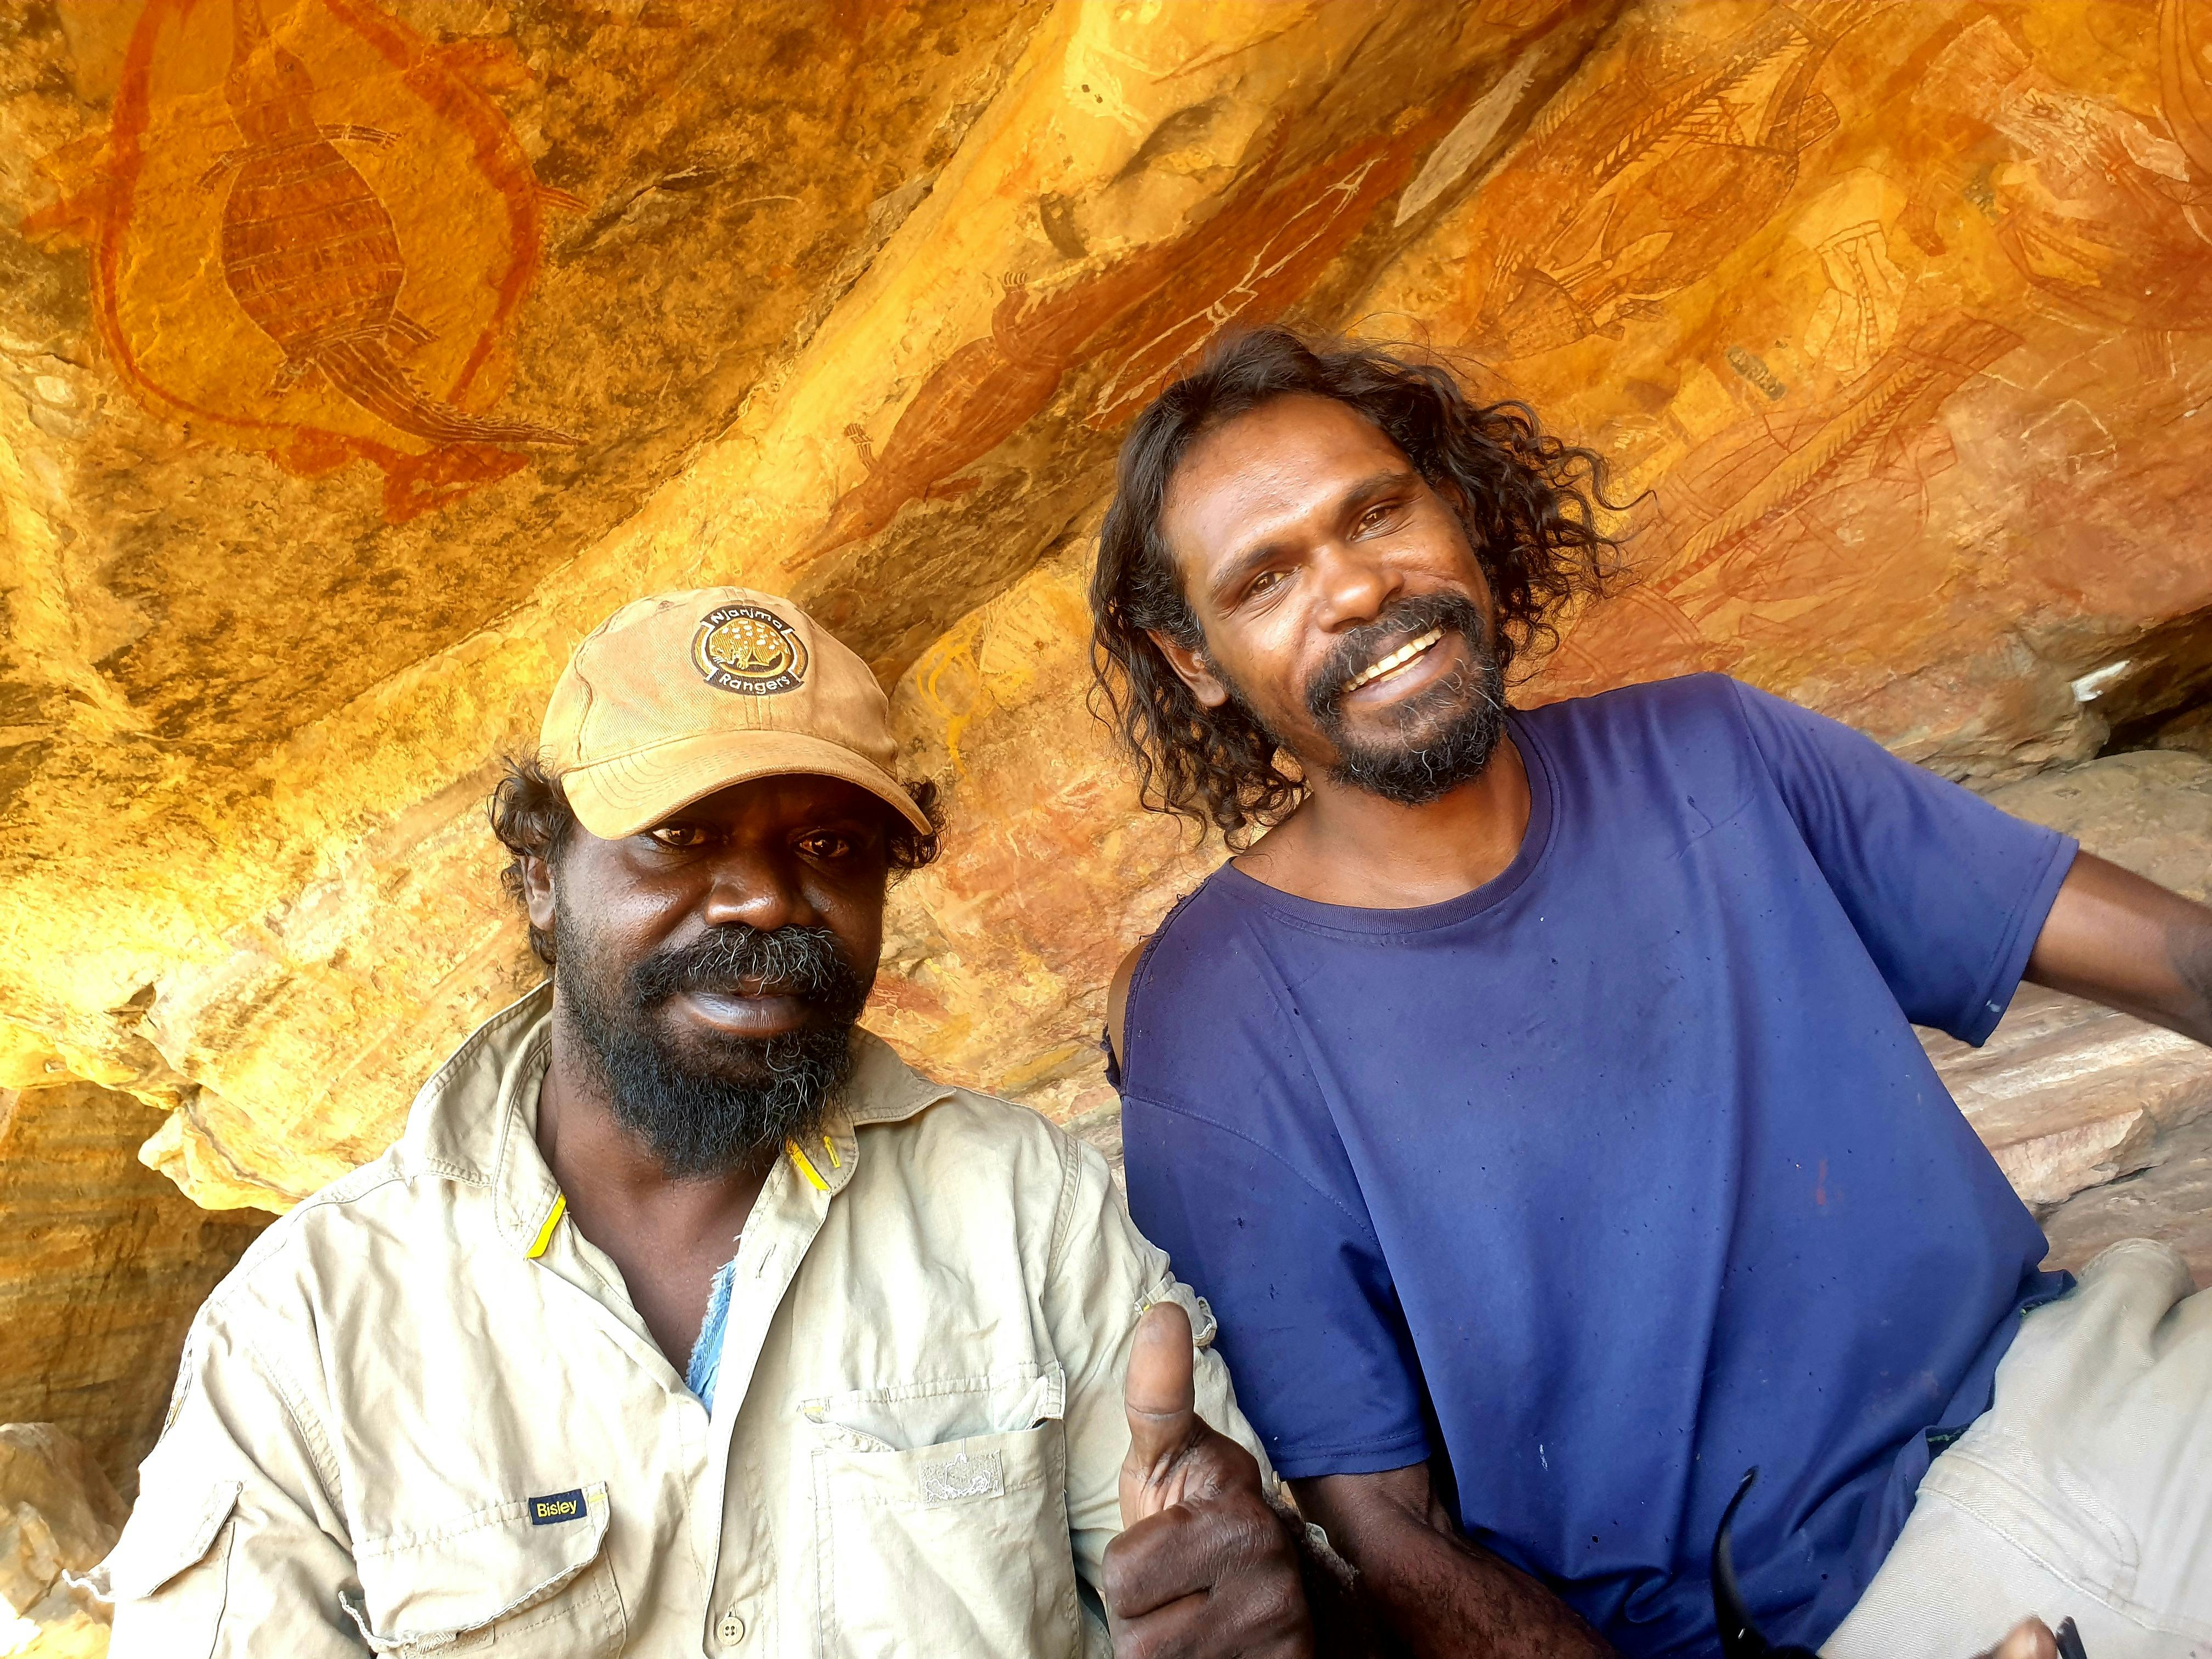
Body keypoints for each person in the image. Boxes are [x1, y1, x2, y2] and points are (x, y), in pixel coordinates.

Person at [1090, 328, 2212, 1659]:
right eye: (1266, 578)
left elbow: (2174, 955)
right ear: (1193, 660)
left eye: (1377, 512)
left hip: (2103, 1396)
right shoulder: (1216, 1020)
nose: (1353, 591)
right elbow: (1386, 1536)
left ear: (1451, 504)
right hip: (1841, 1621)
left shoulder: (1713, 750)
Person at [89, 589, 1330, 1657]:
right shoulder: (309, 1327)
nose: (761, 897)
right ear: (539, 872)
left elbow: (1216, 1593)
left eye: (830, 844)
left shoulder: (1026, 1210)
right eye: (682, 837)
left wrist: (1283, 1598)